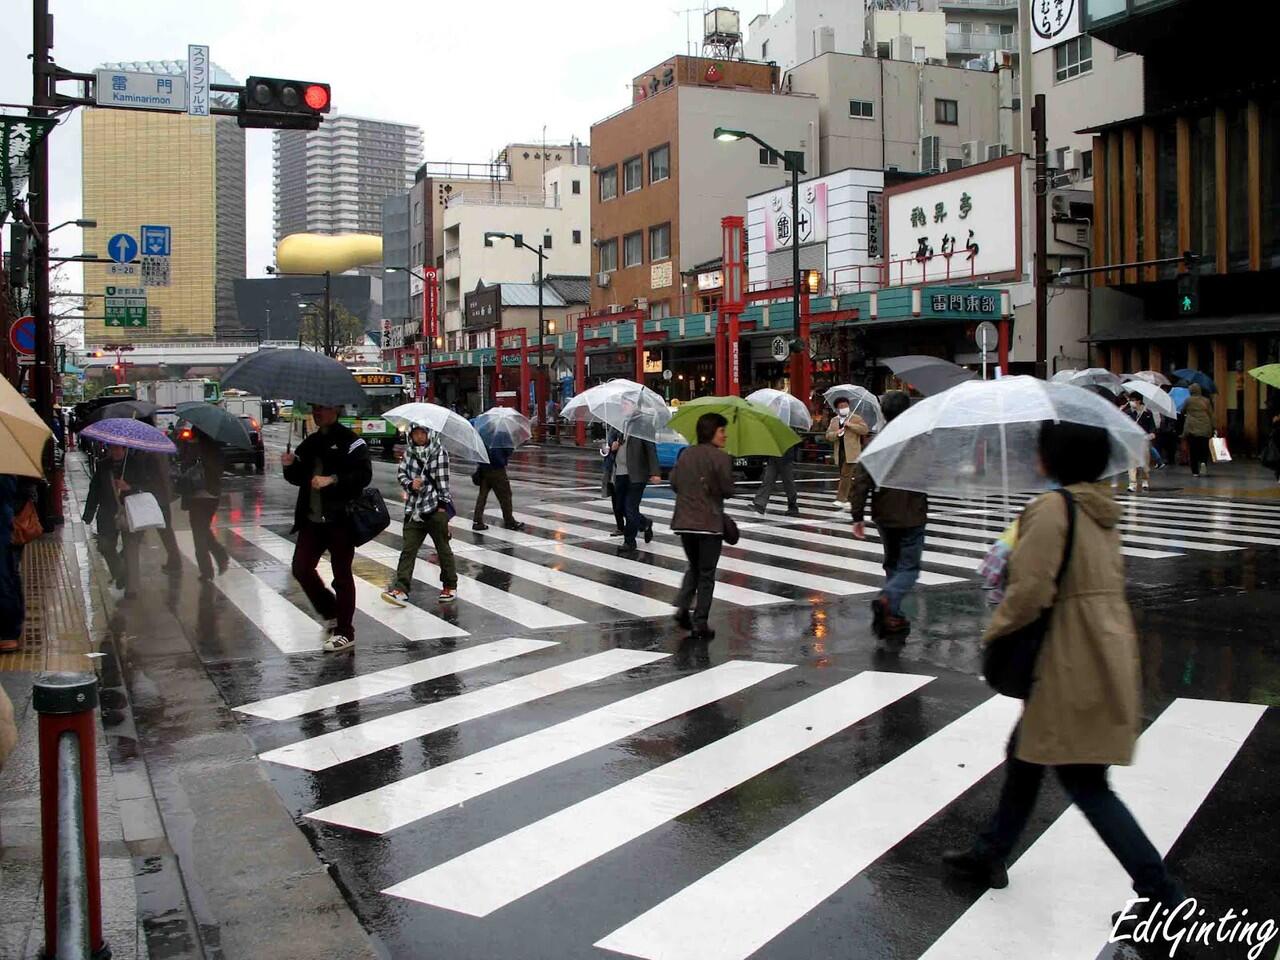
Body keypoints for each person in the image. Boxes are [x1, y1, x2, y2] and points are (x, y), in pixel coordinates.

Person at [943, 420, 1184, 915]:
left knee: (1085, 781)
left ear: (1054, 460)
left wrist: (996, 632)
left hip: (1066, 654)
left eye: (1041, 451)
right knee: (1026, 755)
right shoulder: (1101, 509)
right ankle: (990, 851)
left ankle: (1165, 897)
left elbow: (1031, 591)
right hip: (1100, 646)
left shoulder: (1052, 509)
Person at [281, 403, 372, 654]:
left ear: (336, 410)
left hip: (340, 519)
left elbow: (363, 476)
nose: (317, 413)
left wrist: (332, 480)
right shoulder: (310, 443)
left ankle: (345, 631)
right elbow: (298, 478)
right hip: (312, 520)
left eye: (322, 408)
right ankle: (330, 610)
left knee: (341, 575)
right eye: (314, 408)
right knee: (301, 567)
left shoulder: (352, 443)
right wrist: (289, 465)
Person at [848, 391, 927, 638]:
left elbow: (861, 481)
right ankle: (888, 600)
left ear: (883, 413)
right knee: (910, 568)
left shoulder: (877, 443)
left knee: (892, 563)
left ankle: (893, 612)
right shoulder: (918, 443)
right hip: (912, 513)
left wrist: (857, 515)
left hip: (884, 513)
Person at [669, 412, 734, 640]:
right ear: (712, 432)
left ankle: (683, 608)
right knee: (706, 574)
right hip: (709, 524)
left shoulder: (686, 454)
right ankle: (701, 622)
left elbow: (674, 482)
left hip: (685, 523)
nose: (725, 436)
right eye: (722, 431)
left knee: (694, 567)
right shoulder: (721, 458)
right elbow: (728, 490)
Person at [383, 423, 457, 605]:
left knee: (443, 549)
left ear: (429, 433)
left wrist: (442, 507)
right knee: (408, 550)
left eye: (422, 433)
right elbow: (401, 474)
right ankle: (401, 589)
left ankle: (450, 585)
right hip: (414, 509)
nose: (419, 437)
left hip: (434, 509)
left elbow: (443, 483)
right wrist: (410, 484)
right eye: (415, 433)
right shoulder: (409, 453)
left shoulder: (439, 453)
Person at [82, 444, 151, 596]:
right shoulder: (103, 465)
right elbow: (95, 489)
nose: (115, 452)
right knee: (105, 546)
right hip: (107, 512)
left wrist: (129, 487)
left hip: (130, 511)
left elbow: (146, 485)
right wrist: (89, 513)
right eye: (112, 449)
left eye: (119, 449)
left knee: (130, 549)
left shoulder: (135, 463)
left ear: (125, 449)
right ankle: (119, 573)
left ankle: (132, 589)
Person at [179, 427, 228, 581]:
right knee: (203, 530)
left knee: (199, 534)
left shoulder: (194, 448)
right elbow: (220, 469)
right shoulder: (216, 447)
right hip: (213, 496)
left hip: (197, 497)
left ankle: (208, 569)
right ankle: (218, 557)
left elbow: (184, 468)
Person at [611, 423, 660, 558]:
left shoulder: (643, 425)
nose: (624, 406)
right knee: (619, 507)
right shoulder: (619, 425)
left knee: (630, 508)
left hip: (636, 474)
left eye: (627, 403)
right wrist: (612, 447)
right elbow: (614, 445)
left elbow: (651, 449)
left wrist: (655, 471)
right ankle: (645, 523)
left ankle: (629, 541)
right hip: (620, 472)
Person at [0, 475, 35, 654]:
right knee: (9, 574)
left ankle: (8, 631)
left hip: (4, 527)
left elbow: (8, 490)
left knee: (4, 576)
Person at [472, 441, 524, 533]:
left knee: (482, 496)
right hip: (497, 469)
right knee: (505, 496)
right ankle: (509, 521)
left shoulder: (482, 435)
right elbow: (508, 450)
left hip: (484, 469)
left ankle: (477, 521)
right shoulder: (500, 435)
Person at [826, 399, 870, 505]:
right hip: (840, 451)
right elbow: (828, 435)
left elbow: (864, 430)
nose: (844, 408)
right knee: (845, 475)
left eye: (846, 405)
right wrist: (837, 433)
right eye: (841, 406)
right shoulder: (834, 420)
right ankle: (850, 498)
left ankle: (841, 499)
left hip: (852, 452)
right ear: (837, 408)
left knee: (845, 474)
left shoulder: (856, 418)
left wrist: (850, 425)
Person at [752, 441, 801, 517]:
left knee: (788, 483)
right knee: (768, 480)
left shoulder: (788, 431)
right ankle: (760, 504)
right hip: (773, 456)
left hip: (785, 458)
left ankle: (792, 505)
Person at [1123, 394, 1156, 492]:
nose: (1131, 402)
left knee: (1145, 463)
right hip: (1132, 441)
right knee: (1132, 462)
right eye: (1130, 400)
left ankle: (1145, 480)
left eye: (1133, 400)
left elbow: (1152, 428)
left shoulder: (1147, 413)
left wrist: (1151, 434)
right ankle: (1132, 483)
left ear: (1138, 401)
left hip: (1143, 442)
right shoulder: (1127, 413)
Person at [1181, 383, 1214, 477]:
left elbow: (1183, 410)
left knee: (1193, 450)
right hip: (1205, 427)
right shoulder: (1206, 401)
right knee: (1204, 448)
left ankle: (1195, 471)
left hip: (1192, 428)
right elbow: (1211, 414)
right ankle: (1203, 462)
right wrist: (1213, 427)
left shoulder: (1188, 400)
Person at [601, 426, 626, 536]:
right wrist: (605, 448)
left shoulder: (629, 428)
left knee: (624, 505)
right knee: (615, 502)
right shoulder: (612, 428)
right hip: (611, 468)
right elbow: (606, 447)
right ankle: (620, 527)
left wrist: (619, 445)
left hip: (623, 470)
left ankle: (643, 523)